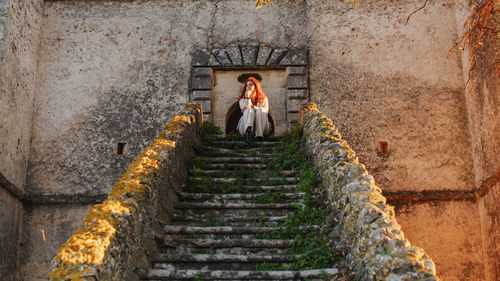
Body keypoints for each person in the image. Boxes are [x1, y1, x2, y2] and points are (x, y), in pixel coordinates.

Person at [236, 77, 269, 144]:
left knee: (260, 110)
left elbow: (265, 111)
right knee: (249, 110)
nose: (248, 86)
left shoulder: (264, 98)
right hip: (244, 127)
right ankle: (248, 133)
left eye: (250, 84)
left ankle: (259, 136)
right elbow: (244, 109)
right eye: (247, 85)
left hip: (262, 128)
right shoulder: (242, 100)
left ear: (256, 86)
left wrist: (254, 107)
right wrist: (248, 98)